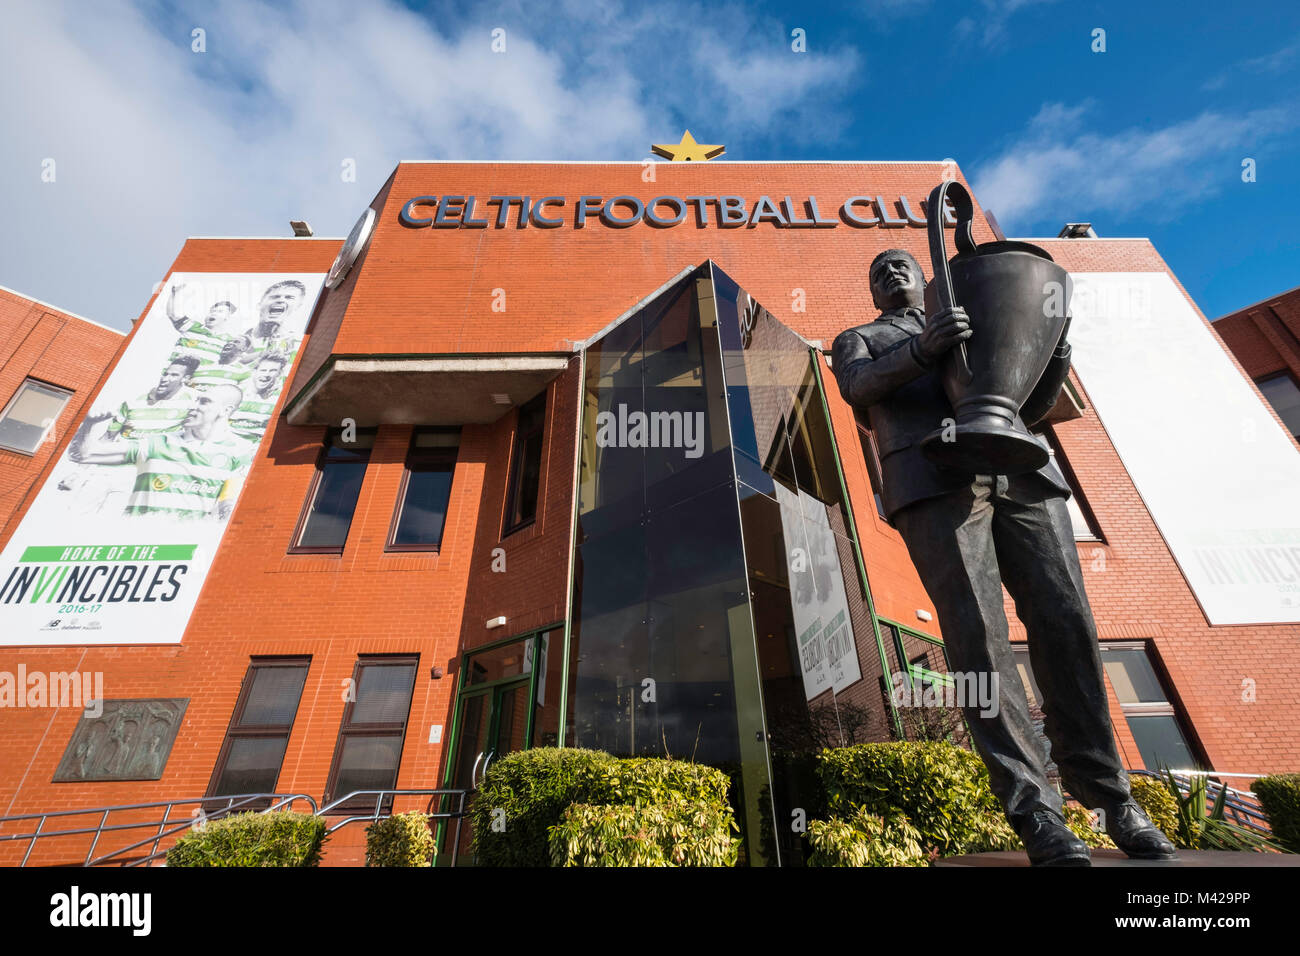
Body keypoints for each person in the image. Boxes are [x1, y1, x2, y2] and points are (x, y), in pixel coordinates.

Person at [831, 248, 1176, 866]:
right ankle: (1037, 812)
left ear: (924, 277)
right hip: (935, 480)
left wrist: (1054, 351)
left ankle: (1112, 799)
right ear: (874, 291)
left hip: (1021, 471)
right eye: (878, 271)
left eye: (901, 266)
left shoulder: (979, 311)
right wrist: (923, 348)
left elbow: (1035, 403)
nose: (891, 275)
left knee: (1067, 621)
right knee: (978, 637)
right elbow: (859, 388)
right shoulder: (860, 337)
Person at [69, 384, 252, 520]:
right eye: (195, 400)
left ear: (226, 410)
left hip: (182, 552)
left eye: (204, 402)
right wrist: (88, 424)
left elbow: (229, 507)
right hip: (131, 543)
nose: (192, 406)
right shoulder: (159, 443)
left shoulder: (241, 453)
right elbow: (82, 455)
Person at [106, 356, 200, 439]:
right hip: (123, 454)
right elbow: (107, 438)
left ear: (185, 378)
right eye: (165, 374)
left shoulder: (192, 400)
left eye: (174, 375)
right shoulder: (134, 401)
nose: (165, 379)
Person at [237, 280, 306, 366]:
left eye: (289, 297)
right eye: (275, 297)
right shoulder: (233, 338)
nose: (281, 300)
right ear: (259, 305)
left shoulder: (300, 345)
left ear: (297, 307)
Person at [229, 352, 289, 443]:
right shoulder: (236, 394)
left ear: (279, 374)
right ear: (254, 372)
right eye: (263, 370)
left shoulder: (280, 399)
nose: (266, 374)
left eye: (273, 371)